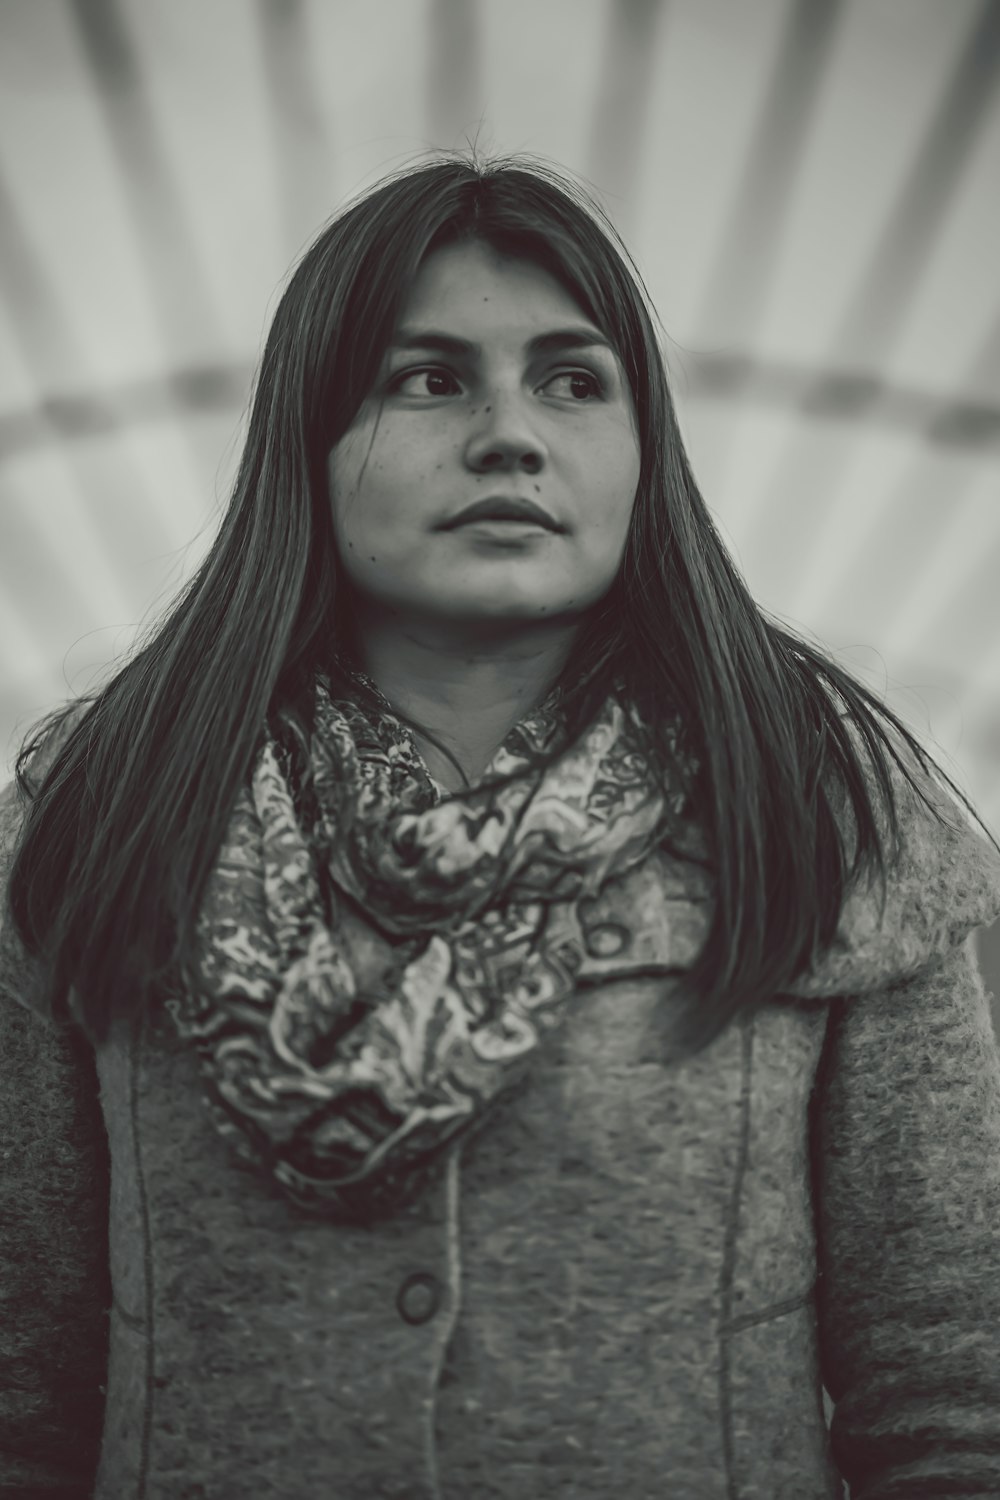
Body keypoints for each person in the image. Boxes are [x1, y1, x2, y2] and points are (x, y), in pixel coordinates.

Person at [1, 148, 999, 1500]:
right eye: (429, 377)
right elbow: (24, 1392)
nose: (510, 434)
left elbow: (948, 1392)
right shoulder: (105, 811)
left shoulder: (824, 810)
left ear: (646, 450)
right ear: (310, 431)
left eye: (573, 381)